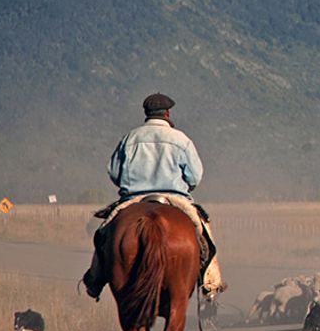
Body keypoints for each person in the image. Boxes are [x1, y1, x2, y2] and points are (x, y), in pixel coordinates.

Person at [81, 94, 225, 301]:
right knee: (205, 234)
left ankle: (94, 280)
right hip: (175, 197)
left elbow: (113, 172)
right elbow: (195, 176)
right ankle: (211, 283)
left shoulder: (130, 139)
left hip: (133, 198)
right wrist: (186, 186)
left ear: (146, 114)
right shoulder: (181, 139)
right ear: (168, 113)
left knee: (104, 234)